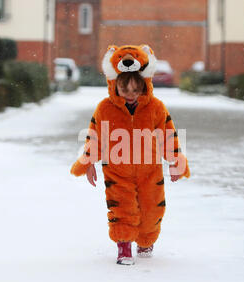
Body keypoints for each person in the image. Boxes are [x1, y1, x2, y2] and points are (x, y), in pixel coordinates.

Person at [70, 44, 190, 265]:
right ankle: (124, 246)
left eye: (136, 90)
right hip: (117, 170)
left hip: (149, 169)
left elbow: (167, 134)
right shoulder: (105, 109)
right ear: (115, 86)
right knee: (121, 208)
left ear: (145, 86)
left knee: (151, 210)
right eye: (125, 91)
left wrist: (176, 161)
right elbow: (94, 136)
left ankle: (146, 239)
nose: (131, 96)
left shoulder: (155, 107)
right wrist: (88, 163)